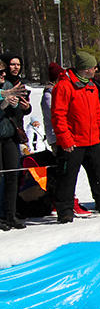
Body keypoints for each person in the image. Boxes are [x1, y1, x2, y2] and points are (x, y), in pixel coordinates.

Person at [49, 51, 100, 221]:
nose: (95, 70)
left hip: (93, 139)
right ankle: (65, 210)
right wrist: (65, 138)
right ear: (84, 69)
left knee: (99, 174)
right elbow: (58, 115)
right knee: (67, 177)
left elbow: (97, 114)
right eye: (93, 67)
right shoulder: (64, 86)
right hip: (72, 141)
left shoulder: (91, 86)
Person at [0, 60, 30, 229]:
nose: (4, 75)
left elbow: (18, 114)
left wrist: (20, 106)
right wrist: (3, 103)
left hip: (10, 137)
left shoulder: (10, 85)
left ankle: (11, 214)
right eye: (0, 73)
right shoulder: (5, 89)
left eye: (4, 72)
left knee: (13, 175)